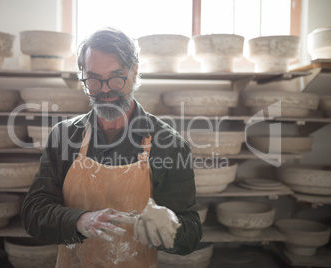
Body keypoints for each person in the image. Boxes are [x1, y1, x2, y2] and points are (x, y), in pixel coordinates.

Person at [21, 27, 202, 267]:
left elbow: (190, 234)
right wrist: (79, 221)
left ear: (134, 73)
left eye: (116, 76)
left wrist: (169, 228)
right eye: (94, 78)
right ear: (83, 78)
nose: (105, 89)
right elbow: (33, 213)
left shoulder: (167, 144)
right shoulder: (64, 136)